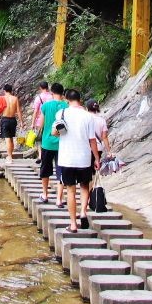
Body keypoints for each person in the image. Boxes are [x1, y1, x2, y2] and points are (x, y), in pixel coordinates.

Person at [57, 89, 100, 232]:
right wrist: (97, 158)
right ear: (79, 100)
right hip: (84, 158)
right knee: (84, 186)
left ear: (66, 100)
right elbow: (92, 140)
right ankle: (83, 212)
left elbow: (55, 132)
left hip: (67, 158)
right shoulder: (88, 116)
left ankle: (73, 224)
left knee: (70, 190)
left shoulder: (61, 114)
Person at [34, 82, 67, 206]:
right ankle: (59, 198)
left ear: (51, 92)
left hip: (47, 142)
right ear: (62, 93)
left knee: (45, 168)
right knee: (61, 170)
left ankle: (45, 194)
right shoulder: (66, 106)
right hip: (62, 143)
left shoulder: (46, 106)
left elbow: (40, 124)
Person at [0, 84, 24, 162]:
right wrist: (21, 122)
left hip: (5, 119)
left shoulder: (1, 98)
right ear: (11, 91)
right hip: (13, 120)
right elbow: (18, 111)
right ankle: (10, 155)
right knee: (11, 138)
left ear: (4, 90)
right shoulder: (15, 98)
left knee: (7, 139)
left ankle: (9, 157)